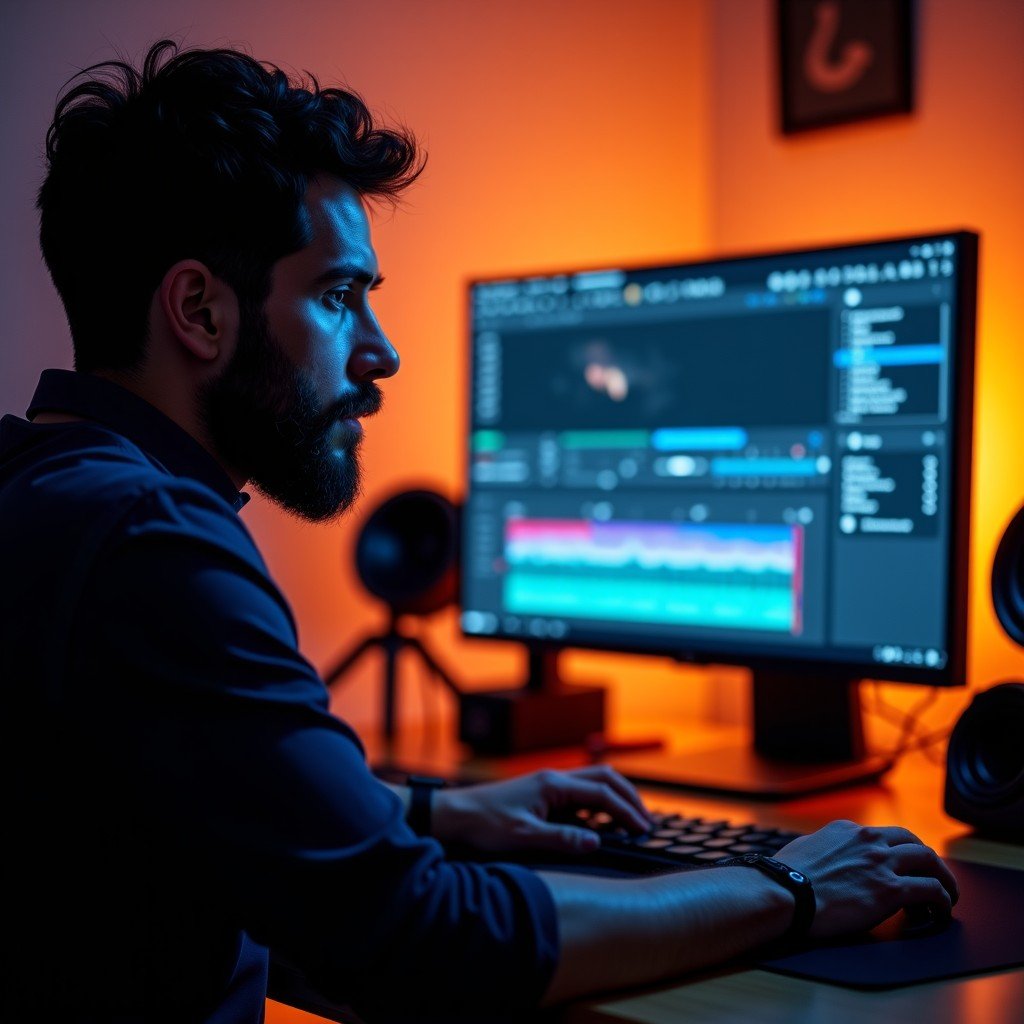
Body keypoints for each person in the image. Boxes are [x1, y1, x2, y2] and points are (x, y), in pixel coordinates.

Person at [0, 39, 959, 1023]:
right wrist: (790, 889)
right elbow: (420, 936)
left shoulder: (41, 490)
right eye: (339, 296)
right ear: (198, 308)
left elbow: (190, 788)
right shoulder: (152, 544)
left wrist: (432, 809)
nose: (382, 351)